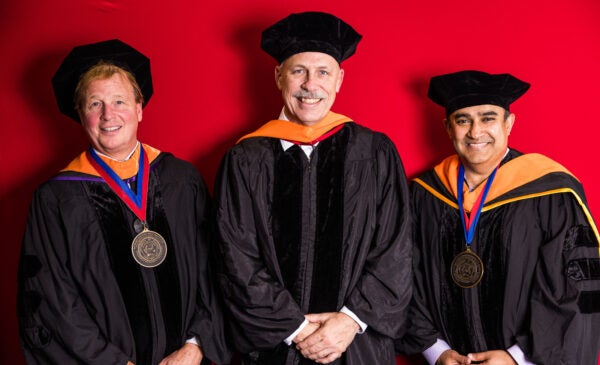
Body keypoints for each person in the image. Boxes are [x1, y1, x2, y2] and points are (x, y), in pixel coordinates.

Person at [213, 11, 412, 365]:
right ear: (278, 77)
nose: (311, 85)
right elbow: (235, 256)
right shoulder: (245, 158)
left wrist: (349, 321)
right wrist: (297, 329)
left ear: (340, 80)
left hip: (356, 348)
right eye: (298, 71)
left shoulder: (374, 152)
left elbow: (395, 249)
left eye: (323, 72)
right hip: (276, 347)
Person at [17, 39, 230, 365]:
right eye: (94, 104)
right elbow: (53, 301)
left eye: (119, 101)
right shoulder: (56, 199)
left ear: (139, 108)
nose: (108, 115)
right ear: (80, 114)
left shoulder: (181, 180)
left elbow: (215, 267)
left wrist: (195, 345)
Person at [395, 70, 600, 364]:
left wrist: (515, 358)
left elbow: (574, 289)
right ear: (447, 127)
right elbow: (401, 275)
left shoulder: (552, 193)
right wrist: (436, 351)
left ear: (509, 123)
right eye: (463, 120)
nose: (475, 132)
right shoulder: (425, 194)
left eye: (488, 118)